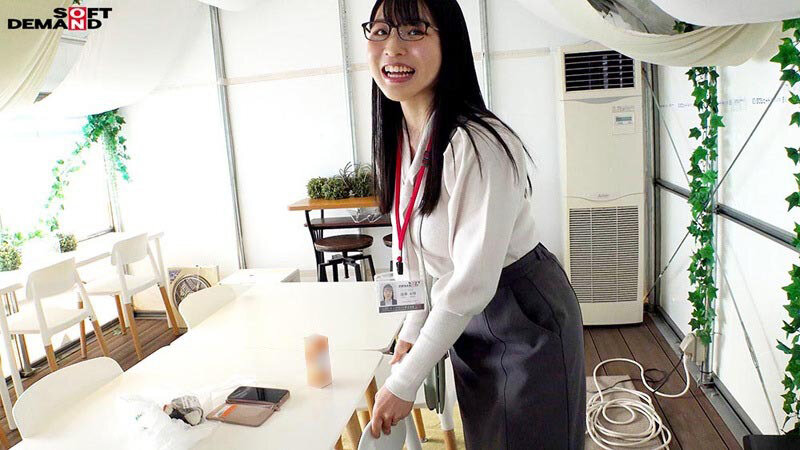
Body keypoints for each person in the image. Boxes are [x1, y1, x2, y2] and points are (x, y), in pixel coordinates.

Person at [363, 0, 586, 448]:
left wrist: (403, 382)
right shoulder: (401, 139)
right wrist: (412, 331)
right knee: (490, 437)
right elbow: (415, 253)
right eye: (381, 30)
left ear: (450, 43)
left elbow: (471, 282)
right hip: (466, 315)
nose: (392, 47)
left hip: (519, 309)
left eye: (413, 31)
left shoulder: (479, 143)